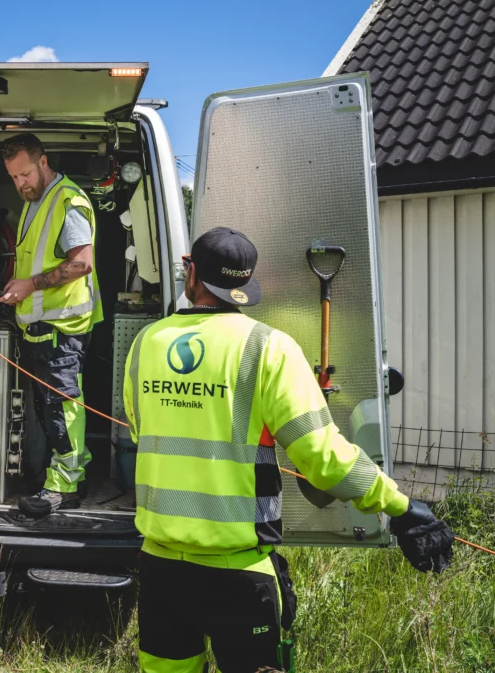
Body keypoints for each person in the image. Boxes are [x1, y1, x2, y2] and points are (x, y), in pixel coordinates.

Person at [124, 227, 455, 672]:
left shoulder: (145, 343)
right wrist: (399, 506)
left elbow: (140, 432)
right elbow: (323, 457)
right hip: (239, 573)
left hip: (161, 571)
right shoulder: (268, 348)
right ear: (244, 283)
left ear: (191, 273)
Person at [0, 133, 102, 517]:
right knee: (50, 408)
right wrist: (18, 289)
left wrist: (30, 285)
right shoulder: (34, 201)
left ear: (43, 162)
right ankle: (73, 473)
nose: (20, 183)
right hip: (41, 325)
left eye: (25, 173)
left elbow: (82, 263)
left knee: (61, 406)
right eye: (13, 177)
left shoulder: (67, 200)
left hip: (63, 326)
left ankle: (64, 488)